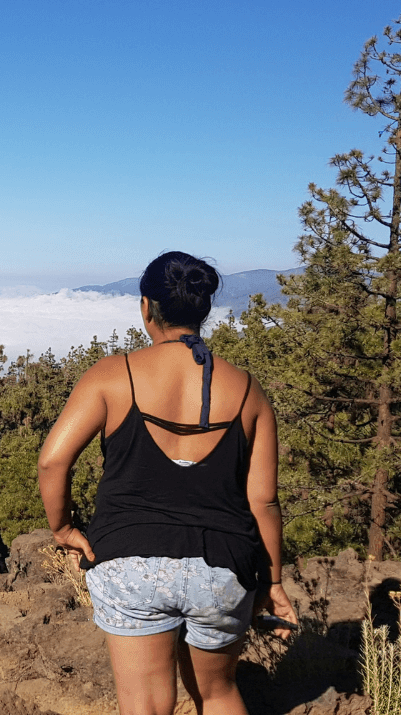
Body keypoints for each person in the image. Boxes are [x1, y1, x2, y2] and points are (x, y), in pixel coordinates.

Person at [37, 251, 298, 715]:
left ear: (145, 307)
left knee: (145, 705)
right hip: (222, 565)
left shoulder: (111, 376)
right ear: (204, 310)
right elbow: (264, 503)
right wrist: (273, 582)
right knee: (217, 694)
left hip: (129, 561)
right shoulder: (248, 391)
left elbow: (52, 463)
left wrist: (64, 529)